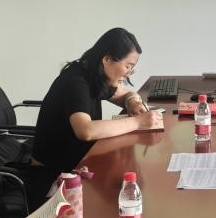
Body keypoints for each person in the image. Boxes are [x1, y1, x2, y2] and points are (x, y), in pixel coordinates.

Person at [31, 28, 163, 184]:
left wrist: (133, 101)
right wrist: (138, 122)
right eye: (127, 66)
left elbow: (125, 94)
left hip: (78, 163)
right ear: (107, 59)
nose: (128, 73)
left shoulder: (92, 74)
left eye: (132, 69)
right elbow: (86, 131)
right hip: (51, 176)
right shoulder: (75, 82)